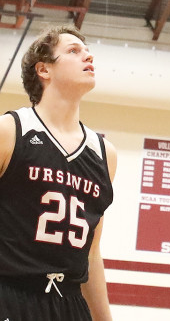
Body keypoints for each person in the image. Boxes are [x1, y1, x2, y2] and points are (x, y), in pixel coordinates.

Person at [0, 26, 117, 321]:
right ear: (44, 70)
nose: (88, 55)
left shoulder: (105, 154)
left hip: (69, 303)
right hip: (10, 294)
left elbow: (91, 253)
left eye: (87, 50)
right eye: (73, 51)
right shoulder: (10, 131)